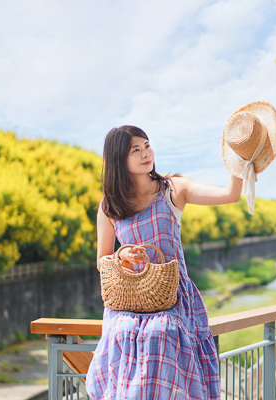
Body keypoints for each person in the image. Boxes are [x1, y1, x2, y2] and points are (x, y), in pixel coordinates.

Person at [86, 125, 243, 399]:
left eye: (147, 145)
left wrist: (240, 159)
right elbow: (102, 260)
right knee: (123, 333)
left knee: (161, 333)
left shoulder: (173, 189)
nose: (146, 153)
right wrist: (120, 256)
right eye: (136, 150)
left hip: (173, 297)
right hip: (129, 299)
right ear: (118, 159)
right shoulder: (110, 205)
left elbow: (231, 195)